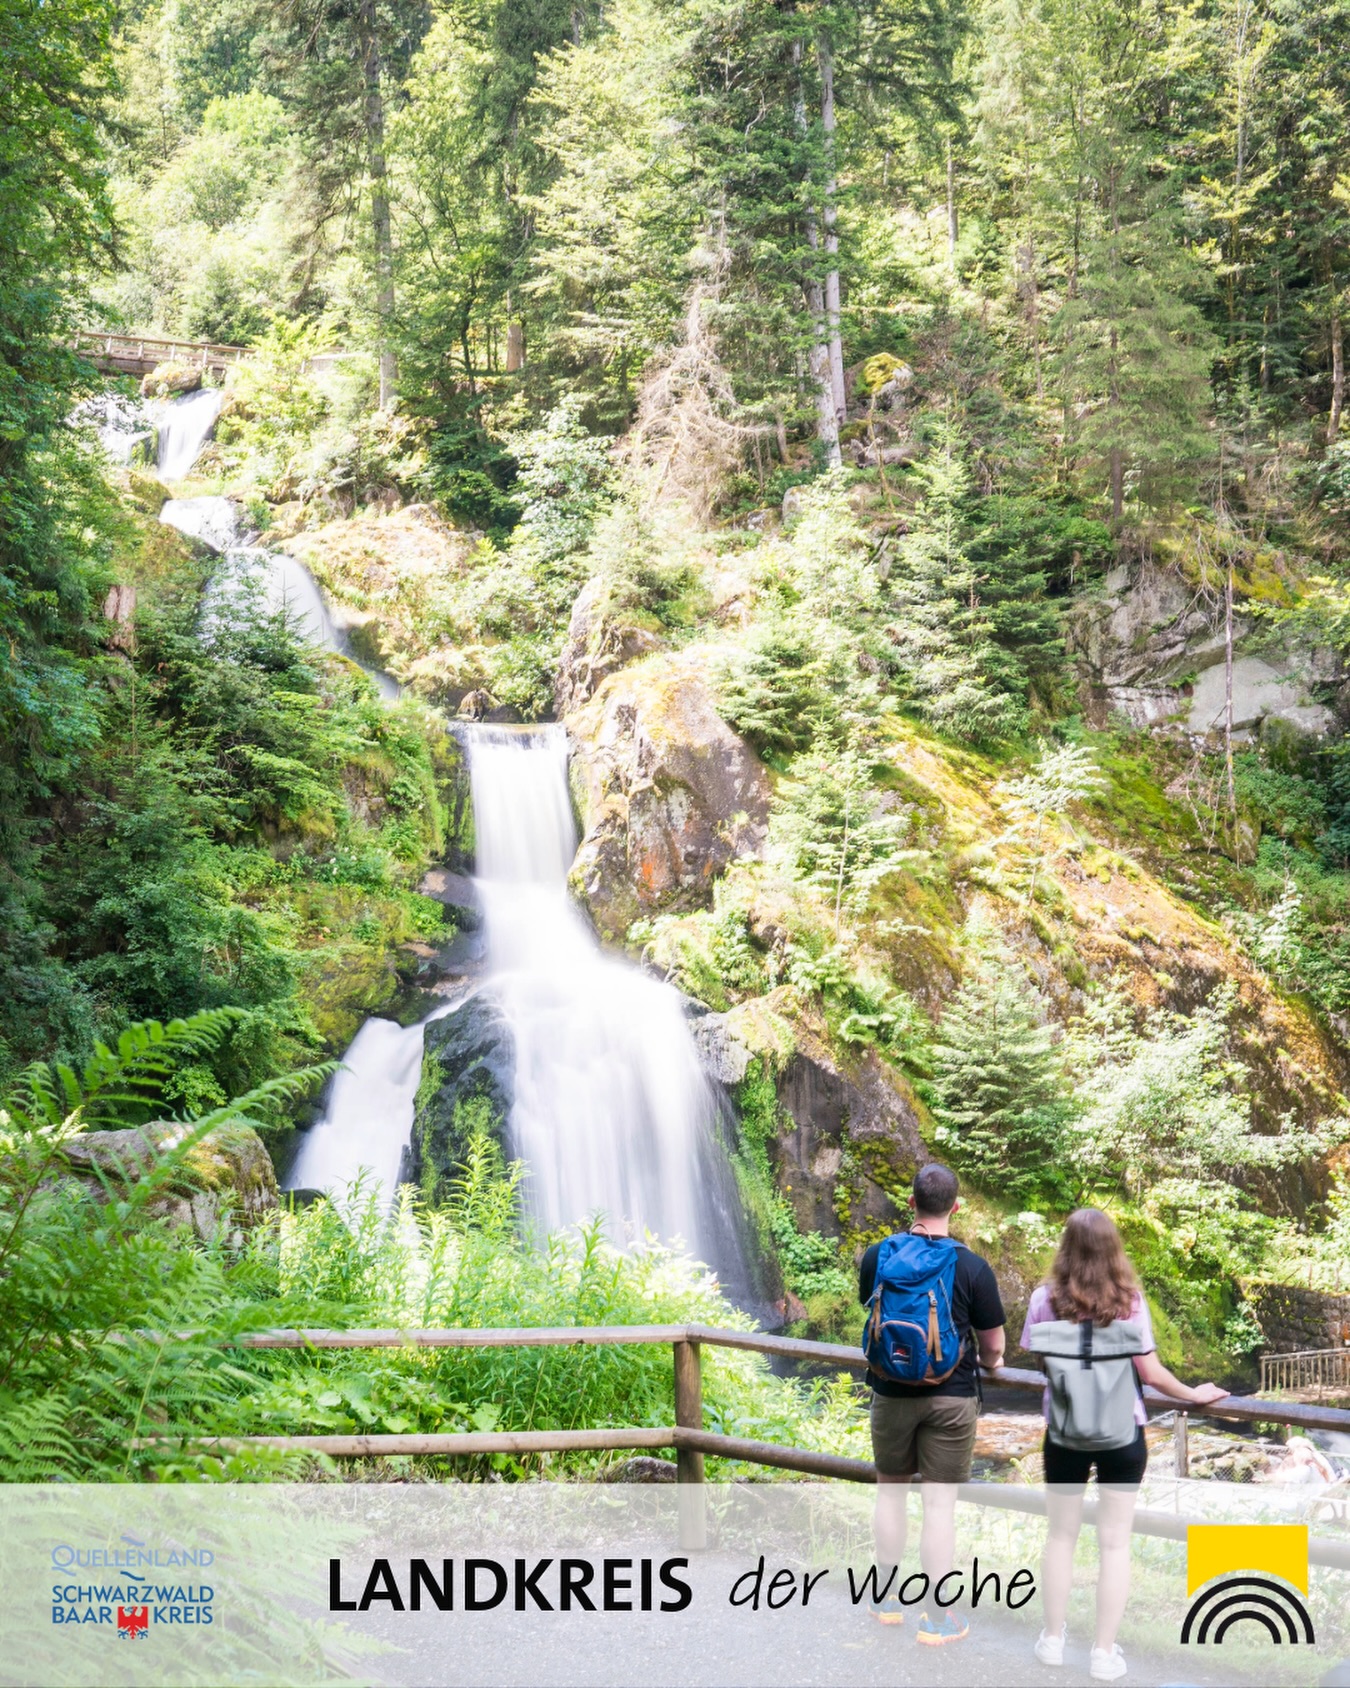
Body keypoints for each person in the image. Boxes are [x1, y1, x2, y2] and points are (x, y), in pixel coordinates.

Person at [1021, 1208, 1229, 1683]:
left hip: (1065, 1434)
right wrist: (1194, 1393)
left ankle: (1052, 1640)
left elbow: (1040, 1359)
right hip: (1122, 1434)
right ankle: (1102, 1653)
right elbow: (1150, 1373)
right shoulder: (1129, 1301)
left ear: (1066, 1247)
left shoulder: (1043, 1299)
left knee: (1060, 1537)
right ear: (1113, 1249)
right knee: (1114, 1543)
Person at [859, 1163, 1006, 1646]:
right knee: (939, 1506)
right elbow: (993, 1346)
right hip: (951, 1397)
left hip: (890, 1393)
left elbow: (872, 1309)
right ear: (955, 1207)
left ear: (911, 1203)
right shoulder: (972, 1267)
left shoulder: (879, 1255)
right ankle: (937, 1618)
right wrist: (992, 1362)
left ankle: (885, 1599)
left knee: (890, 1493)